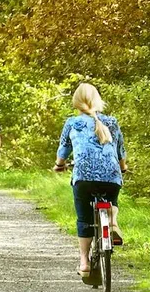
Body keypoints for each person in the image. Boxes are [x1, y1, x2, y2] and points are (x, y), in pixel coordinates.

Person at [53, 82, 127, 276]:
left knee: (84, 219)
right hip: (111, 175)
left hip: (84, 177)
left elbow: (63, 150)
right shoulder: (112, 122)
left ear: (76, 102)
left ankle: (84, 262)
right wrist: (123, 168)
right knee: (112, 199)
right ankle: (112, 222)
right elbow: (120, 150)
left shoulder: (73, 123)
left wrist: (59, 165)